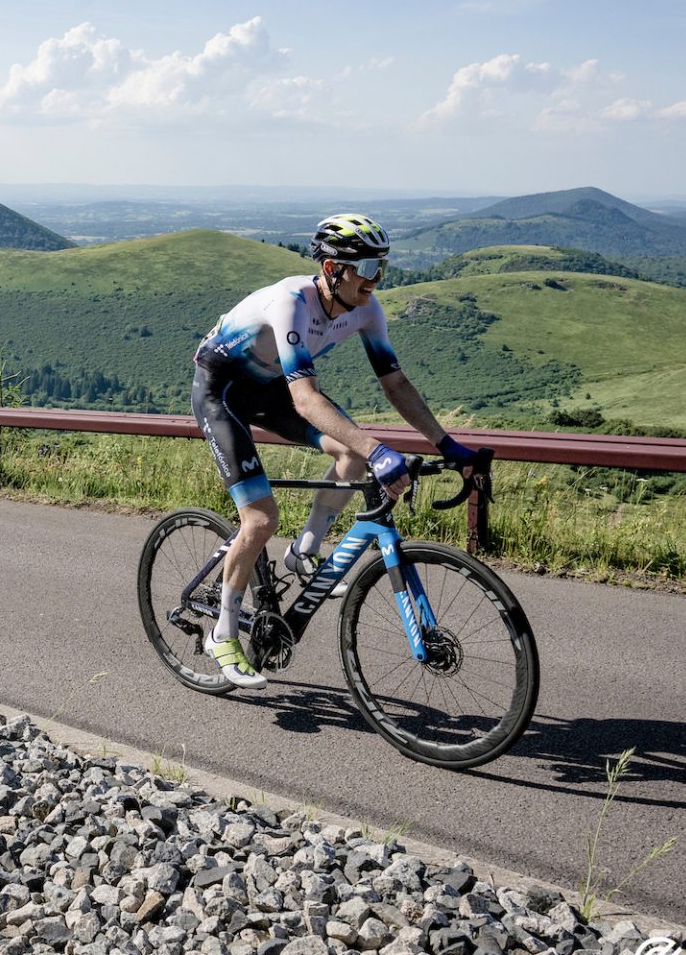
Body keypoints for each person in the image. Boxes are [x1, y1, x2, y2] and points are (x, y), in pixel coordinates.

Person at [190, 213, 477, 688]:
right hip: (223, 393)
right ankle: (223, 634)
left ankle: (304, 552)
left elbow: (396, 383)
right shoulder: (291, 303)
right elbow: (306, 399)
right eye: (365, 266)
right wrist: (380, 447)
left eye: (381, 266)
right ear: (330, 269)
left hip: (274, 391)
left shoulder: (367, 309)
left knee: (354, 456)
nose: (375, 278)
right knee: (260, 520)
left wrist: (446, 442)